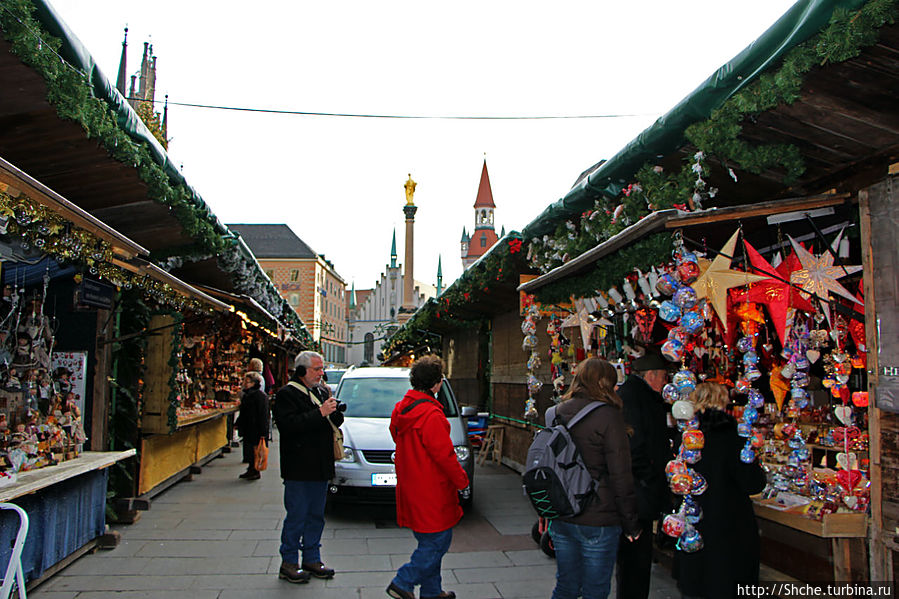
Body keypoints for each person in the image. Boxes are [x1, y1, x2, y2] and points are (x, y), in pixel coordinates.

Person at [548, 357, 640, 599]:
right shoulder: (608, 415)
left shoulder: (555, 412)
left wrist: (544, 511)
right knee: (595, 590)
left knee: (565, 586)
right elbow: (621, 475)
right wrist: (631, 523)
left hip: (562, 513)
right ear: (604, 383)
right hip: (598, 517)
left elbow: (547, 466)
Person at [387, 355, 469, 599]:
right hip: (432, 489)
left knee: (428, 541)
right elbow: (445, 456)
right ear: (436, 384)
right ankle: (403, 581)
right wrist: (462, 481)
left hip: (411, 486)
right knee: (437, 543)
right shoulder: (431, 415)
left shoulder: (401, 409)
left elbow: (397, 436)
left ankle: (432, 592)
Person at [675, 382, 767, 598]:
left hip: (696, 523)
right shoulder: (734, 436)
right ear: (724, 402)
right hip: (730, 524)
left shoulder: (687, 437)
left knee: (700, 582)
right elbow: (752, 483)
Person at [272, 350, 343, 584]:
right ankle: (289, 562)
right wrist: (320, 412)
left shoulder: (322, 391)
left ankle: (312, 557)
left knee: (316, 516)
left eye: (321, 369)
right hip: (299, 467)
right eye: (316, 369)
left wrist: (334, 413)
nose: (321, 373)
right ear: (302, 371)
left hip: (321, 466)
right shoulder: (286, 394)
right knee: (297, 515)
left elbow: (329, 423)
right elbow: (289, 426)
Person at [616, 350, 674, 599]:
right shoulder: (636, 398)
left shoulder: (635, 395)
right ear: (650, 375)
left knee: (636, 556)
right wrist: (649, 477)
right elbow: (635, 445)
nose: (664, 382)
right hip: (638, 491)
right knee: (635, 556)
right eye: (662, 376)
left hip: (639, 488)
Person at [236, 371, 269, 481]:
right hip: (249, 427)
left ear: (254, 383)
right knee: (250, 450)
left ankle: (255, 470)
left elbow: (263, 415)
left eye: (248, 381)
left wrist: (263, 432)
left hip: (255, 428)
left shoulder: (259, 396)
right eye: (245, 381)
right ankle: (251, 468)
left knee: (255, 450)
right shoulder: (248, 395)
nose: (245, 383)